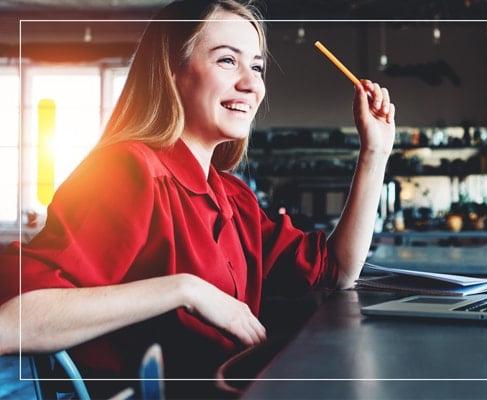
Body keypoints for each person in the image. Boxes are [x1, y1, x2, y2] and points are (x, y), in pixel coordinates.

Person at [0, 0, 395, 396]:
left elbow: (338, 271)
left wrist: (374, 152)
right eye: (227, 61)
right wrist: (185, 289)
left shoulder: (231, 195)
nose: (252, 83)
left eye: (256, 67)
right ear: (172, 73)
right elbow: (15, 322)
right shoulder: (127, 171)